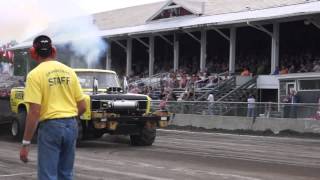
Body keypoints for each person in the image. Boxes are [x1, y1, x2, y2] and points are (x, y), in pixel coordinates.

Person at [19, 35, 86, 180]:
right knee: (66, 174)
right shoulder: (69, 72)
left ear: (33, 53)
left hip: (51, 127)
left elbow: (34, 112)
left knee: (48, 176)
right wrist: (69, 117)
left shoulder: (35, 75)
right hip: (71, 125)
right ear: (53, 51)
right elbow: (82, 105)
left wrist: (25, 143)